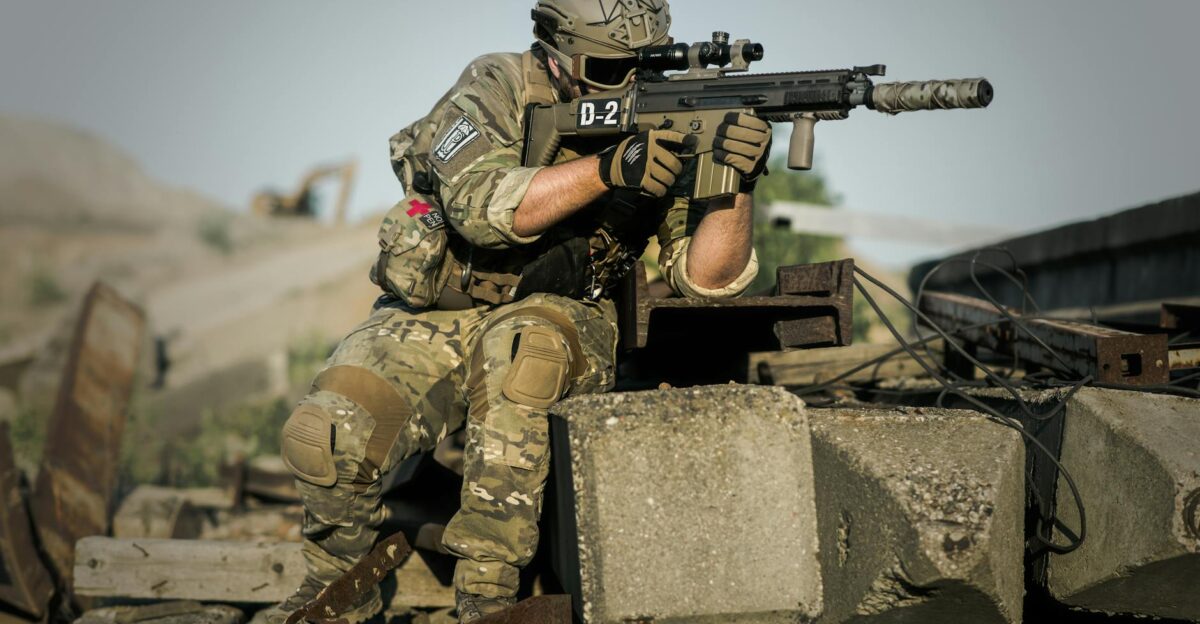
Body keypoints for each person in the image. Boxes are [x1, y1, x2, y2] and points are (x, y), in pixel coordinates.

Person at [256, 1, 772, 622]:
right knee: (324, 432)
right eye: (608, 70)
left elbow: (705, 280)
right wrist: (611, 168)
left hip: (559, 314)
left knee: (527, 355)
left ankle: (488, 596)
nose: (631, 82)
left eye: (644, 66)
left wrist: (735, 180)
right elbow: (482, 205)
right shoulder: (495, 86)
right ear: (554, 56)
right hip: (438, 313)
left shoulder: (669, 115)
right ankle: (339, 588)